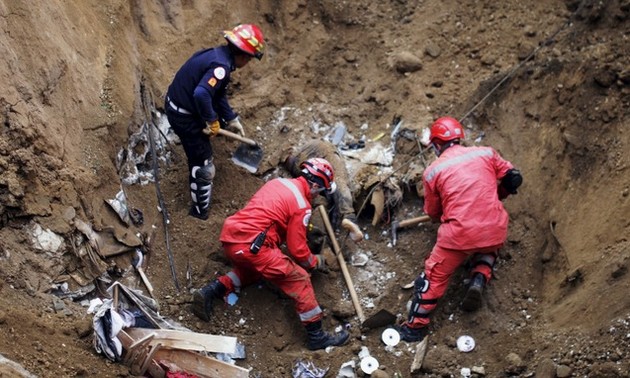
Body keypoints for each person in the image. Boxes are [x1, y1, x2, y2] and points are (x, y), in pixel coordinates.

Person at [191, 157, 350, 351]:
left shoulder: (277, 183)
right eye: (320, 191)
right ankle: (317, 337)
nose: (318, 196)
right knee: (300, 279)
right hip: (254, 246)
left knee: (255, 270)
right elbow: (297, 250)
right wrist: (314, 262)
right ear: (315, 186)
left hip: (232, 239)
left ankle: (211, 291)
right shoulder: (302, 205)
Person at [398, 116, 523, 342]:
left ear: (436, 145)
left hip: (459, 234)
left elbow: (433, 213)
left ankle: (414, 329)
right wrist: (499, 195)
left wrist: (446, 212)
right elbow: (513, 177)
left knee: (432, 278)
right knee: (489, 244)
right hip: (494, 226)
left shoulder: (433, 172)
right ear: (460, 138)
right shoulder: (485, 152)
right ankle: (479, 277)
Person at [164, 24, 265, 220]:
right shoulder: (221, 67)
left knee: (213, 118)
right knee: (203, 164)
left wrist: (231, 118)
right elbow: (202, 93)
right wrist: (211, 121)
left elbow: (217, 95)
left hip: (179, 102)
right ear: (245, 56)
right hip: (183, 115)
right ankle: (198, 214)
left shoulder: (217, 55)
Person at [283, 139, 364, 242]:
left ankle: (342, 220)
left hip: (304, 164)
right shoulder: (319, 150)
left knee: (331, 187)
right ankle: (349, 216)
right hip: (316, 152)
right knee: (339, 180)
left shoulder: (295, 166)